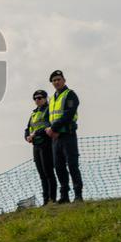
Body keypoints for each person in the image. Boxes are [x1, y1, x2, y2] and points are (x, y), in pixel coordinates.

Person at [46, 70, 82, 203]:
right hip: (55, 139)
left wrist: (54, 128)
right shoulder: (52, 98)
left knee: (72, 165)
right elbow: (48, 118)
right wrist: (48, 130)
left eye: (58, 79)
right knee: (59, 167)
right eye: (54, 80)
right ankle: (64, 196)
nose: (56, 82)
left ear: (64, 80)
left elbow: (69, 113)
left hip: (68, 135)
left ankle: (78, 195)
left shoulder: (70, 95)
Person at [25, 89, 57, 205]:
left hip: (46, 144)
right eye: (35, 98)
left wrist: (36, 133)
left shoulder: (49, 110)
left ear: (45, 98)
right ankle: (45, 201)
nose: (37, 100)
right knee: (42, 174)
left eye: (40, 98)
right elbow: (27, 128)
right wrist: (27, 137)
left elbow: (49, 125)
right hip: (36, 146)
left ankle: (52, 199)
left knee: (48, 173)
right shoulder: (33, 113)